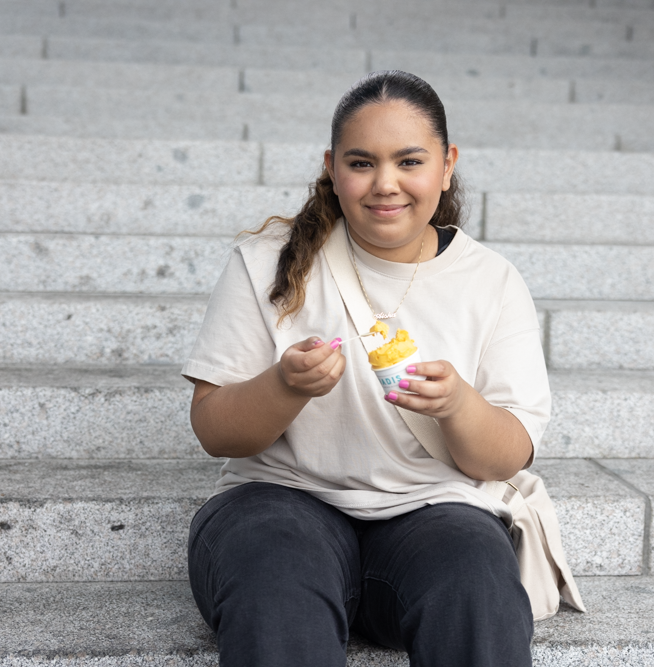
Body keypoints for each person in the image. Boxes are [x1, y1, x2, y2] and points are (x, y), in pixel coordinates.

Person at [182, 70, 549, 666]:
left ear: (447, 164)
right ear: (331, 166)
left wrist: (459, 406)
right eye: (361, 163)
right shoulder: (267, 263)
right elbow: (214, 430)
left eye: (410, 162)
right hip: (278, 504)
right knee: (277, 579)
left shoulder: (492, 281)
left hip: (433, 515)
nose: (385, 184)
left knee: (475, 579)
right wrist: (283, 386)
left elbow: (505, 455)